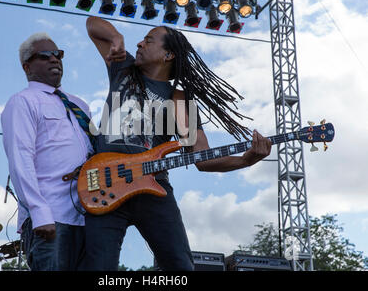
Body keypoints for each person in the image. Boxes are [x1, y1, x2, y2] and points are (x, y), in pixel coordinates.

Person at [84, 16, 272, 271]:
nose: (139, 44)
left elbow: (203, 159)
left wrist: (246, 160)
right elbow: (92, 24)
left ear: (168, 55)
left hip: (154, 187)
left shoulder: (180, 101)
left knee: (180, 267)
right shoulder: (123, 68)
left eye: (148, 41)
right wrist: (116, 37)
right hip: (104, 183)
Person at [1, 33, 93, 271]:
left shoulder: (80, 105)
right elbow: (20, 160)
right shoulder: (22, 101)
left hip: (89, 215)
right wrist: (40, 213)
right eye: (45, 56)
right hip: (51, 218)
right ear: (27, 66)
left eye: (58, 54)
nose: (54, 59)